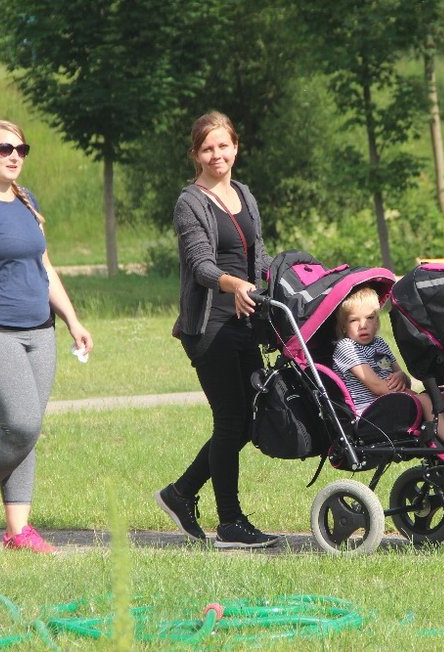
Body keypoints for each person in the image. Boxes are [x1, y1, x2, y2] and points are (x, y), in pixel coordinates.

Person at [0, 119, 93, 553]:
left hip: (39, 332)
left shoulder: (27, 203)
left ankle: (17, 530)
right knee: (21, 422)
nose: (14, 155)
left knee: (29, 430)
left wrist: (72, 319)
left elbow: (44, 269)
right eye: (4, 147)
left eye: (21, 148)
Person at [154, 111, 278, 549]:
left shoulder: (243, 192)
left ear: (236, 147)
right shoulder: (190, 201)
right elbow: (200, 263)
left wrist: (280, 280)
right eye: (208, 148)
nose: (217, 154)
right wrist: (234, 284)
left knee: (246, 422)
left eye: (223, 145)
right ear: (196, 154)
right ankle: (229, 522)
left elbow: (258, 252)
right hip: (210, 324)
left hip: (247, 319)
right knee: (231, 420)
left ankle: (181, 492)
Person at [332, 287, 444, 466]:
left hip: (393, 401)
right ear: (343, 327)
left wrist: (402, 376)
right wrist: (409, 393)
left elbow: (403, 378)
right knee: (425, 400)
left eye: (369, 318)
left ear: (377, 321)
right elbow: (377, 387)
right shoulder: (346, 347)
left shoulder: (379, 343)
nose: (363, 325)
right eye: (354, 320)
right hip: (369, 415)